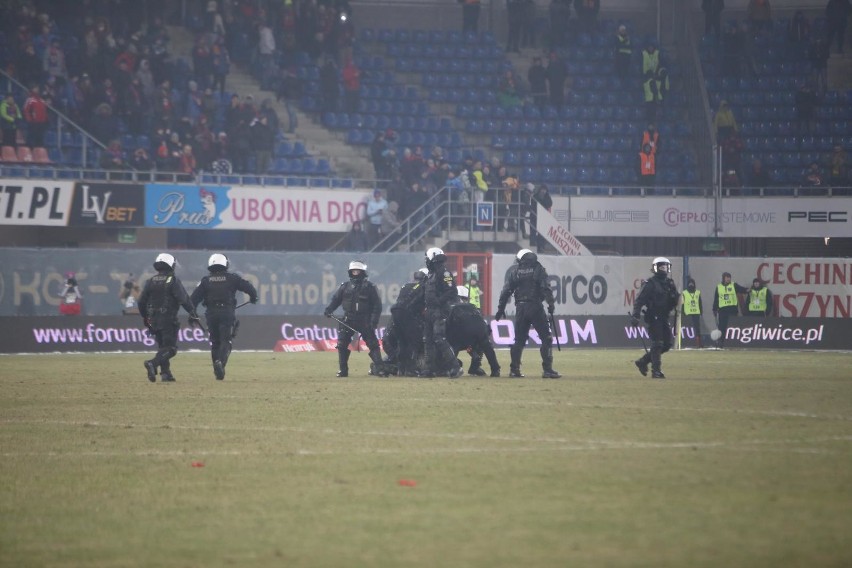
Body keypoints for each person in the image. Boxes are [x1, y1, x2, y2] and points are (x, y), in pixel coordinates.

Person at [190, 253, 259, 381]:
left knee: (215, 343)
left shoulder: (205, 281)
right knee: (226, 341)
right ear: (225, 264)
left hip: (211, 314)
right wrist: (253, 297)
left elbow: (193, 300)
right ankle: (220, 363)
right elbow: (249, 288)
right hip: (226, 313)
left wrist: (192, 314)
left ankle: (217, 370)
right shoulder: (232, 278)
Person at [495, 248, 560, 378]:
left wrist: (500, 310)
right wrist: (551, 305)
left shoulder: (515, 272)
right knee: (546, 338)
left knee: (518, 340)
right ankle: (547, 370)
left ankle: (514, 370)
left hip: (520, 309)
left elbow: (505, 292)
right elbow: (546, 288)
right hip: (535, 307)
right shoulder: (538, 269)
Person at [138, 253, 201, 382]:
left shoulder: (151, 281)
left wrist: (146, 317)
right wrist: (193, 313)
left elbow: (141, 302)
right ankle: (152, 363)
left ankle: (166, 374)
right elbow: (183, 299)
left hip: (153, 319)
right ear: (171, 265)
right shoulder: (173, 280)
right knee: (171, 349)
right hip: (168, 319)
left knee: (162, 347)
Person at [324, 260, 384, 377]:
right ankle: (343, 370)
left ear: (362, 272)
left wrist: (374, 321)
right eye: (353, 271)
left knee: (373, 344)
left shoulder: (370, 287)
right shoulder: (345, 286)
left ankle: (380, 368)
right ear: (350, 272)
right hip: (348, 319)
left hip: (364, 320)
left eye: (357, 271)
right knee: (341, 344)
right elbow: (336, 300)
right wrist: (329, 309)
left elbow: (377, 306)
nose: (355, 273)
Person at [631, 257, 679, 379]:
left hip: (664, 317)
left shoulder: (670, 283)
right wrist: (636, 315)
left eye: (666, 267)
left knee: (667, 344)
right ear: (655, 268)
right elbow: (639, 300)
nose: (664, 270)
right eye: (661, 267)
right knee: (657, 343)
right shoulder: (650, 284)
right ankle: (656, 371)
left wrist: (675, 298)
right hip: (653, 316)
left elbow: (675, 301)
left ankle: (643, 361)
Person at [423, 247, 463, 378]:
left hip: (439, 311)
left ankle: (455, 367)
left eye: (427, 258)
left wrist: (438, 302)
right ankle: (428, 370)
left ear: (432, 259)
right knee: (427, 340)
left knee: (439, 338)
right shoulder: (431, 274)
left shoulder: (444, 273)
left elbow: (451, 291)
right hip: (429, 311)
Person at [382, 268, 428, 376]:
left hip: (396, 314)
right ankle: (410, 369)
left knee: (402, 342)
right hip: (408, 315)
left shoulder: (405, 286)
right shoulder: (424, 287)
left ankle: (400, 369)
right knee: (413, 341)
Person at [448, 286, 500, 377]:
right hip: (478, 336)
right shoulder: (473, 307)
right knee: (486, 346)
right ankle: (491, 369)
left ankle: (453, 366)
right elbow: (483, 325)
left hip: (459, 339)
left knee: (451, 345)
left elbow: (447, 325)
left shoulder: (450, 307)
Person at [712, 271, 749, 348]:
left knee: (732, 326)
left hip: (732, 310)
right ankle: (721, 342)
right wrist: (714, 309)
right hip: (722, 311)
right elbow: (716, 299)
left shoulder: (734, 285)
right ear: (723, 278)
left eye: (729, 277)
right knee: (722, 327)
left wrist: (747, 290)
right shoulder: (719, 287)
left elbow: (742, 289)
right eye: (727, 277)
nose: (728, 279)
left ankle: (732, 342)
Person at [681, 277, 703, 348]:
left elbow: (700, 303)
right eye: (690, 284)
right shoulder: (684, 293)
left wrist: (701, 311)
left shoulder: (697, 292)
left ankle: (698, 343)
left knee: (697, 328)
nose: (691, 285)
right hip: (687, 313)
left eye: (692, 284)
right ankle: (687, 343)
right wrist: (682, 312)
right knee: (687, 328)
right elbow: (682, 304)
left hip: (696, 313)